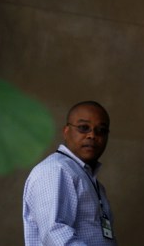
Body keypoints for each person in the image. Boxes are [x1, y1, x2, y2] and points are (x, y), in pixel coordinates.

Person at [23, 101, 118, 245]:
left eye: (101, 130)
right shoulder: (55, 170)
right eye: (83, 128)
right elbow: (55, 235)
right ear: (66, 132)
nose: (92, 135)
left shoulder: (90, 179)